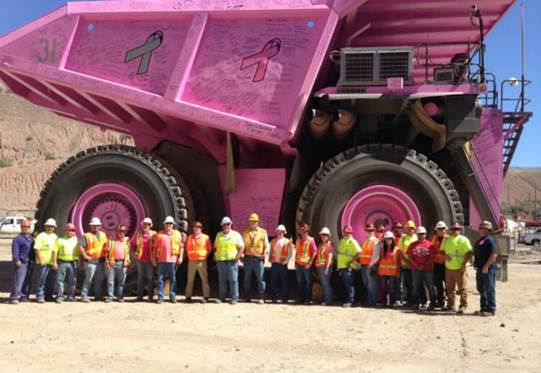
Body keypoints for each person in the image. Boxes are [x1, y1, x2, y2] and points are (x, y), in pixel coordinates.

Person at [442, 221, 473, 314]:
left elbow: (469, 252)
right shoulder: (447, 240)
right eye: (453, 229)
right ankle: (451, 305)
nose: (455, 230)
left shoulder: (463, 240)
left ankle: (463, 306)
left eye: (457, 229)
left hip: (460, 268)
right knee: (450, 288)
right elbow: (441, 251)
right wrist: (445, 256)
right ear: (450, 230)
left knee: (462, 288)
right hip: (449, 268)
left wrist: (463, 265)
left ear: (459, 230)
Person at [214, 216, 244, 304]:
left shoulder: (236, 234)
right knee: (222, 280)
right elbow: (215, 247)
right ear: (222, 226)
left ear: (231, 225)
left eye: (227, 224)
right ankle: (222, 297)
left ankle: (234, 298)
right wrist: (215, 256)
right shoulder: (218, 235)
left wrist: (238, 257)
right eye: (224, 225)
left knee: (233, 280)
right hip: (221, 261)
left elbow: (242, 247)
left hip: (232, 261)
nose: (226, 226)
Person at [154, 216, 184, 304]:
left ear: (173, 225)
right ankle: (160, 297)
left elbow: (181, 247)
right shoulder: (159, 234)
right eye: (167, 223)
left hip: (173, 260)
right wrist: (154, 258)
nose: (168, 225)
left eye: (170, 223)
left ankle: (172, 296)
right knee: (160, 279)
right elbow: (155, 248)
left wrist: (180, 257)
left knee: (173, 279)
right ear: (164, 224)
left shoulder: (177, 234)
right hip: (162, 260)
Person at [242, 213, 270, 304]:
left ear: (258, 222)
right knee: (247, 278)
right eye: (251, 221)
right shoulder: (245, 232)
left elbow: (266, 245)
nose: (253, 223)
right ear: (249, 222)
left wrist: (265, 254)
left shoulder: (263, 232)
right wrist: (241, 256)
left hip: (258, 259)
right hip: (248, 258)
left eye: (254, 221)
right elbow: (242, 246)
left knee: (260, 279)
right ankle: (247, 297)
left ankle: (261, 297)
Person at [407, 226, 437, 310]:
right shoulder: (412, 245)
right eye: (419, 234)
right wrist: (416, 265)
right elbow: (409, 256)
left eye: (422, 234)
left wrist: (423, 265)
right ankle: (415, 303)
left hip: (428, 270)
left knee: (430, 286)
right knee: (416, 286)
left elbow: (432, 257)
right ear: (417, 235)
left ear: (425, 234)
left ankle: (433, 303)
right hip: (415, 270)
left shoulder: (430, 244)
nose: (421, 235)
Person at [80, 217, 108, 303]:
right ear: (90, 226)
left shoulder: (103, 235)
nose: (95, 227)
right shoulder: (87, 236)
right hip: (90, 261)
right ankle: (84, 295)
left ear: (99, 226)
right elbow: (81, 247)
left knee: (99, 279)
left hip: (101, 261)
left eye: (97, 225)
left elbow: (106, 246)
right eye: (93, 226)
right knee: (89, 279)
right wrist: (85, 256)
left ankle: (98, 296)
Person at [474, 221, 498, 316]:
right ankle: (483, 308)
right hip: (480, 269)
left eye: (484, 228)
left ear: (488, 230)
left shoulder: (489, 240)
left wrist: (486, 266)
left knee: (489, 288)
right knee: (481, 288)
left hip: (488, 269)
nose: (481, 230)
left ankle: (491, 309)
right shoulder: (480, 240)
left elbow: (494, 254)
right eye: (481, 228)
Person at [184, 221, 212, 303]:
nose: (196, 229)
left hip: (201, 261)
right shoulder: (189, 238)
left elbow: (209, 248)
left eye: (198, 228)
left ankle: (206, 297)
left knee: (204, 280)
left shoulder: (206, 237)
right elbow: (187, 248)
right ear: (193, 228)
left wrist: (205, 255)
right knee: (190, 280)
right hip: (192, 261)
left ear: (201, 229)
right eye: (195, 227)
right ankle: (188, 296)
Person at [9, 219, 34, 304]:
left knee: (27, 281)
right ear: (21, 227)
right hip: (21, 262)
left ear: (29, 227)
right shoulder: (17, 239)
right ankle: (14, 297)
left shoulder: (31, 239)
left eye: (27, 227)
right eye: (24, 227)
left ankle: (24, 297)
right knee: (18, 280)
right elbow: (15, 251)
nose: (26, 228)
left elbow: (32, 251)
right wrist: (17, 260)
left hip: (29, 262)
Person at [131, 218, 156, 302]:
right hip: (140, 260)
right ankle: (140, 296)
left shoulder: (154, 234)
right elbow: (133, 244)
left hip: (150, 260)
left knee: (150, 278)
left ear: (150, 226)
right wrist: (134, 252)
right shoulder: (138, 234)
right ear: (142, 225)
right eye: (144, 224)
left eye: (148, 224)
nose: (146, 226)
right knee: (141, 278)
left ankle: (150, 297)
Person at [336, 225, 361, 307]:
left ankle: (350, 300)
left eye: (348, 232)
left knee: (349, 284)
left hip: (348, 267)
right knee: (345, 284)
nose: (346, 234)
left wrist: (351, 261)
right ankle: (347, 299)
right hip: (342, 266)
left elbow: (359, 252)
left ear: (351, 233)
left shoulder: (353, 242)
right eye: (345, 232)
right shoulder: (342, 241)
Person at [34, 218, 58, 303]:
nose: (50, 228)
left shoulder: (54, 236)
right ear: (45, 226)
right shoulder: (41, 236)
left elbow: (55, 250)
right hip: (42, 263)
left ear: (54, 228)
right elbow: (37, 249)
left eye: (52, 226)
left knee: (50, 280)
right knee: (41, 279)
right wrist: (41, 259)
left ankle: (48, 296)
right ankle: (40, 296)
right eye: (48, 226)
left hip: (51, 262)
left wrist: (54, 262)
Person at [53, 223, 79, 303]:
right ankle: (60, 296)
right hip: (62, 262)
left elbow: (80, 253)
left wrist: (80, 263)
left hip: (73, 263)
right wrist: (54, 262)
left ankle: (70, 296)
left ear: (74, 231)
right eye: (67, 231)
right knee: (60, 280)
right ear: (65, 231)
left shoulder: (77, 240)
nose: (69, 232)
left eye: (71, 231)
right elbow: (55, 252)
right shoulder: (60, 240)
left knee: (72, 281)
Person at [105, 225, 131, 303]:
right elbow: (106, 251)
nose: (121, 233)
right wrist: (107, 261)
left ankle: (120, 297)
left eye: (123, 231)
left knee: (121, 281)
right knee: (110, 281)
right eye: (120, 231)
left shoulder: (127, 241)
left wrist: (128, 261)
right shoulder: (111, 240)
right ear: (117, 231)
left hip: (123, 263)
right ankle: (110, 297)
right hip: (112, 262)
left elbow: (130, 251)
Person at [269, 224, 293, 304]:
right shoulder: (273, 241)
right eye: (278, 232)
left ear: (284, 232)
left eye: (281, 232)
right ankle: (274, 296)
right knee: (273, 281)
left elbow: (290, 253)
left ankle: (285, 297)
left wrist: (285, 262)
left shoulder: (287, 241)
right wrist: (270, 259)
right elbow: (271, 251)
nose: (279, 233)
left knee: (284, 281)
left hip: (282, 264)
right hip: (274, 264)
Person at [294, 223, 317, 305]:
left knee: (308, 282)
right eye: (301, 230)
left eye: (304, 230)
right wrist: (295, 261)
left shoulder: (311, 240)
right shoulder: (298, 240)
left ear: (307, 231)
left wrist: (310, 262)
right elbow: (297, 251)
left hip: (306, 264)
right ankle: (301, 298)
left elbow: (314, 252)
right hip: (299, 263)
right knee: (300, 281)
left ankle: (308, 299)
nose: (303, 232)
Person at [359, 223, 380, 306]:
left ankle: (372, 301)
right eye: (368, 230)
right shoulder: (365, 240)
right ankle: (368, 299)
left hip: (370, 265)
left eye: (371, 230)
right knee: (366, 282)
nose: (370, 231)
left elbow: (376, 255)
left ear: (374, 231)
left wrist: (371, 264)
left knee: (371, 283)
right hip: (363, 264)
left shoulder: (376, 241)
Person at [377, 231, 401, 307]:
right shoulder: (382, 249)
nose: (388, 240)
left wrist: (398, 272)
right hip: (383, 272)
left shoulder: (397, 250)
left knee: (391, 288)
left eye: (390, 239)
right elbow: (380, 260)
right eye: (387, 239)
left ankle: (391, 302)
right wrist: (378, 270)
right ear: (385, 240)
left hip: (392, 273)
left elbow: (398, 262)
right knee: (383, 288)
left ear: (393, 240)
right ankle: (384, 302)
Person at [398, 220, 417, 306]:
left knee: (416, 283)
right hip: (405, 265)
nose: (410, 230)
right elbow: (401, 252)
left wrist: (414, 263)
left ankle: (417, 300)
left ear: (414, 229)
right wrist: (407, 261)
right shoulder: (403, 238)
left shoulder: (417, 237)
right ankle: (410, 301)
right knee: (408, 283)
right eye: (408, 228)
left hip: (416, 265)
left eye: (412, 228)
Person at [314, 227, 334, 306]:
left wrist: (327, 267)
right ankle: (325, 299)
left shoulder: (329, 245)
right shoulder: (321, 245)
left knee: (326, 284)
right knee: (324, 283)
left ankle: (328, 300)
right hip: (320, 267)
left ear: (328, 236)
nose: (323, 236)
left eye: (325, 235)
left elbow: (330, 257)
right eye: (322, 235)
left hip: (325, 267)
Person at [431, 221, 448, 308]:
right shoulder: (434, 238)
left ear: (445, 230)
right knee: (438, 284)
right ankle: (440, 301)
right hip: (437, 264)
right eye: (439, 229)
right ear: (436, 230)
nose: (441, 230)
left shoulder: (448, 238)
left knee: (448, 284)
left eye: (442, 229)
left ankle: (449, 303)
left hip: (446, 265)